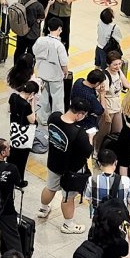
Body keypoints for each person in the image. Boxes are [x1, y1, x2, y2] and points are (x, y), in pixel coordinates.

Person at [39, 97, 93, 234]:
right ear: (79, 114)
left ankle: (43, 209)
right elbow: (88, 151)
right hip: (71, 170)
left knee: (50, 187)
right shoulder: (78, 132)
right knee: (68, 197)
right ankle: (68, 225)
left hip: (53, 162)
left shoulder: (54, 117)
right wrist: (90, 138)